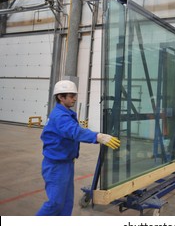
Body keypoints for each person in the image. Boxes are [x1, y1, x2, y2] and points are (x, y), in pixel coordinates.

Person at [36, 80, 121, 216]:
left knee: (67, 202)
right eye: (71, 96)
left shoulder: (66, 113)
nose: (74, 99)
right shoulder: (60, 116)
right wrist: (98, 137)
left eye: (75, 95)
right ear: (60, 97)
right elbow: (75, 131)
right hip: (56, 166)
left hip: (66, 163)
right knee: (55, 203)